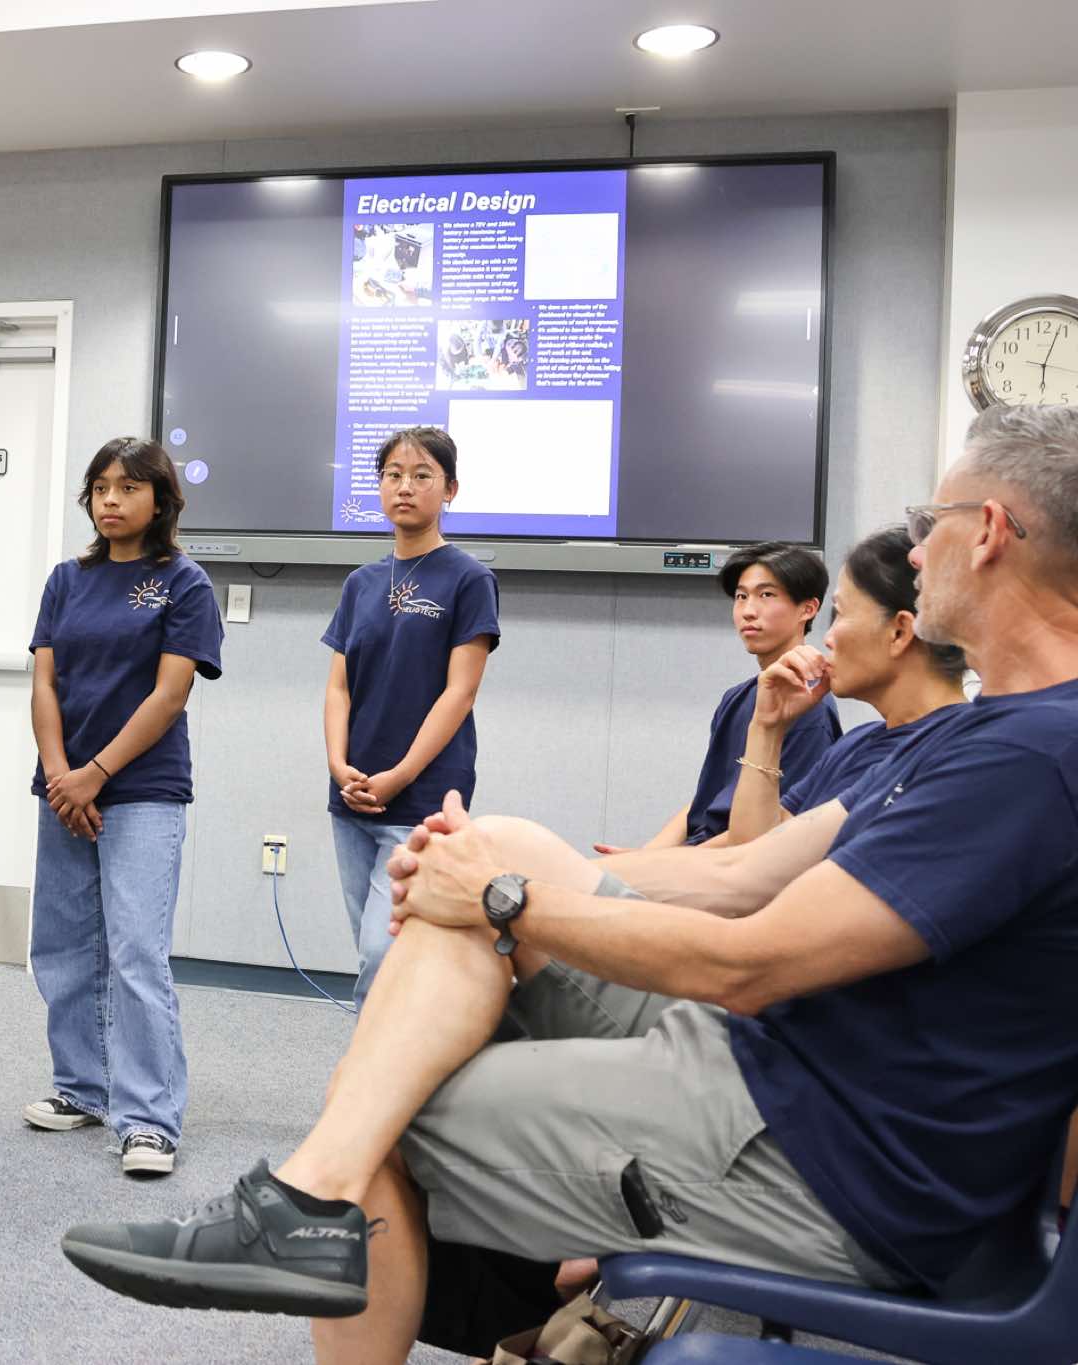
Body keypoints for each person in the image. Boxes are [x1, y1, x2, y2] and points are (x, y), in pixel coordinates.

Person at [59, 404, 1078, 1365]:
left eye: (933, 522)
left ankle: (309, 1193)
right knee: (491, 846)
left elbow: (750, 962)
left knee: (378, 1115)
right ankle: (314, 1189)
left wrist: (505, 899)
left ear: (990, 532)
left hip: (823, 1151)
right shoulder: (972, 735)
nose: (916, 550)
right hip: (782, 1067)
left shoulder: (1027, 756)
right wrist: (488, 864)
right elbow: (742, 871)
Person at [22, 436, 224, 1177]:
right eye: (102, 487)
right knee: (63, 946)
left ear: (160, 500)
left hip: (141, 790)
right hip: (64, 787)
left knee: (136, 953)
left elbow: (169, 695)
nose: (111, 499)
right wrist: (60, 775)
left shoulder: (184, 583)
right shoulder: (66, 580)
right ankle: (82, 1086)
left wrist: (96, 774)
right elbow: (44, 683)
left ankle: (149, 1120)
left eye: (129, 487)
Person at [324, 426, 498, 1006]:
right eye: (393, 475)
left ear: (450, 490)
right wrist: (338, 764)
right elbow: (338, 688)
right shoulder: (361, 583)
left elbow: (460, 693)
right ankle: (393, 1056)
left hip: (421, 795)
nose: (405, 487)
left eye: (422, 475)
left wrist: (398, 776)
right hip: (352, 794)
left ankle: (375, 1062)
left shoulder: (469, 578)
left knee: (385, 952)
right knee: (376, 953)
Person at [724, 525, 968, 845]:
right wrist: (767, 727)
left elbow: (753, 865)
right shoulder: (857, 743)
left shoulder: (953, 754)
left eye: (840, 614)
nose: (827, 638)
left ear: (899, 632)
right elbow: (750, 852)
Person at [624, 541, 841, 850]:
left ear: (808, 609)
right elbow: (708, 798)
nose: (748, 611)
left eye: (766, 595)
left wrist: (665, 865)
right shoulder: (736, 698)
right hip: (699, 855)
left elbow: (773, 831)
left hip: (741, 863)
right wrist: (649, 855)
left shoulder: (808, 707)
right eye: (741, 597)